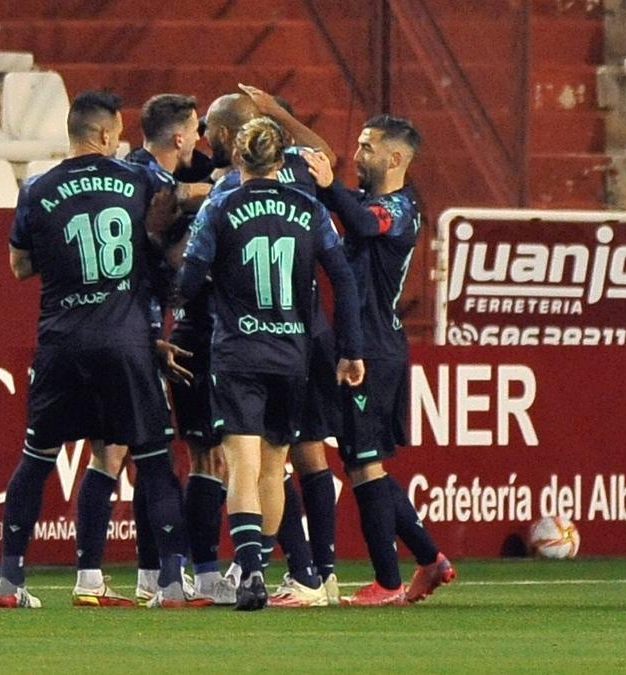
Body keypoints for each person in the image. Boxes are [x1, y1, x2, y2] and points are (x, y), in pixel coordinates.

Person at [0, 90, 200, 609]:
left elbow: (19, 267)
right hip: (126, 338)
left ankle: (10, 581)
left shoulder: (37, 188)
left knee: (37, 459)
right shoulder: (138, 179)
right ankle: (172, 583)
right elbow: (173, 209)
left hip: (62, 340)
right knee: (153, 461)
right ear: (108, 135)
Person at [175, 116, 365, 611]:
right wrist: (351, 348)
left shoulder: (219, 206)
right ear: (283, 160)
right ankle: (255, 563)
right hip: (293, 354)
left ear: (238, 159)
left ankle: (251, 570)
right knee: (275, 467)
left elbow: (189, 281)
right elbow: (343, 279)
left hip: (238, 350)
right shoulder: (309, 207)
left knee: (241, 462)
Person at [303, 114, 457, 606]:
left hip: (370, 349)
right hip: (367, 343)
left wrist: (328, 188)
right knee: (359, 460)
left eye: (368, 147)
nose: (359, 153)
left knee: (364, 465)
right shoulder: (374, 201)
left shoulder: (399, 209)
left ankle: (387, 583)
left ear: (394, 158)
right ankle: (430, 560)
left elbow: (365, 223)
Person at [125, 93, 234, 605]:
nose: (201, 141)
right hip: (159, 331)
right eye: (195, 131)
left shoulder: (144, 175)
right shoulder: (144, 179)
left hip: (157, 327)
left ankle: (159, 572)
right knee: (193, 457)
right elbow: (162, 214)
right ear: (178, 136)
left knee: (156, 455)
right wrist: (212, 190)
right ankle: (193, 572)